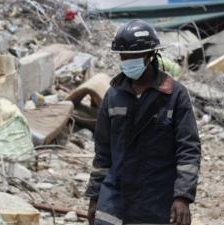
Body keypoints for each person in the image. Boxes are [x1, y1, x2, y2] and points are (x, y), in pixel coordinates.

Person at [85, 19, 201, 225]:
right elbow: (103, 154)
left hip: (156, 198)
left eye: (134, 56)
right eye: (124, 56)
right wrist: (94, 197)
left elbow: (188, 150)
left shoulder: (174, 95)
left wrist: (183, 197)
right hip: (115, 196)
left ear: (150, 55)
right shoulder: (113, 96)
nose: (128, 61)